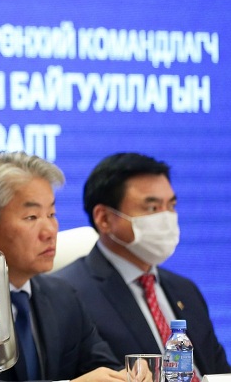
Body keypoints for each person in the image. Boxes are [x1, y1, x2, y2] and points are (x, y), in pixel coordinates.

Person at [54, 153, 230, 377]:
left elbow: (220, 373)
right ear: (104, 218)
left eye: (171, 206)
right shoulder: (68, 294)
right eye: (152, 208)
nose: (167, 219)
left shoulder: (185, 290)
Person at [0, 151, 125, 382]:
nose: (50, 231)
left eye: (51, 214)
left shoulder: (62, 297)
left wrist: (130, 375)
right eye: (32, 217)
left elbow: (104, 367)